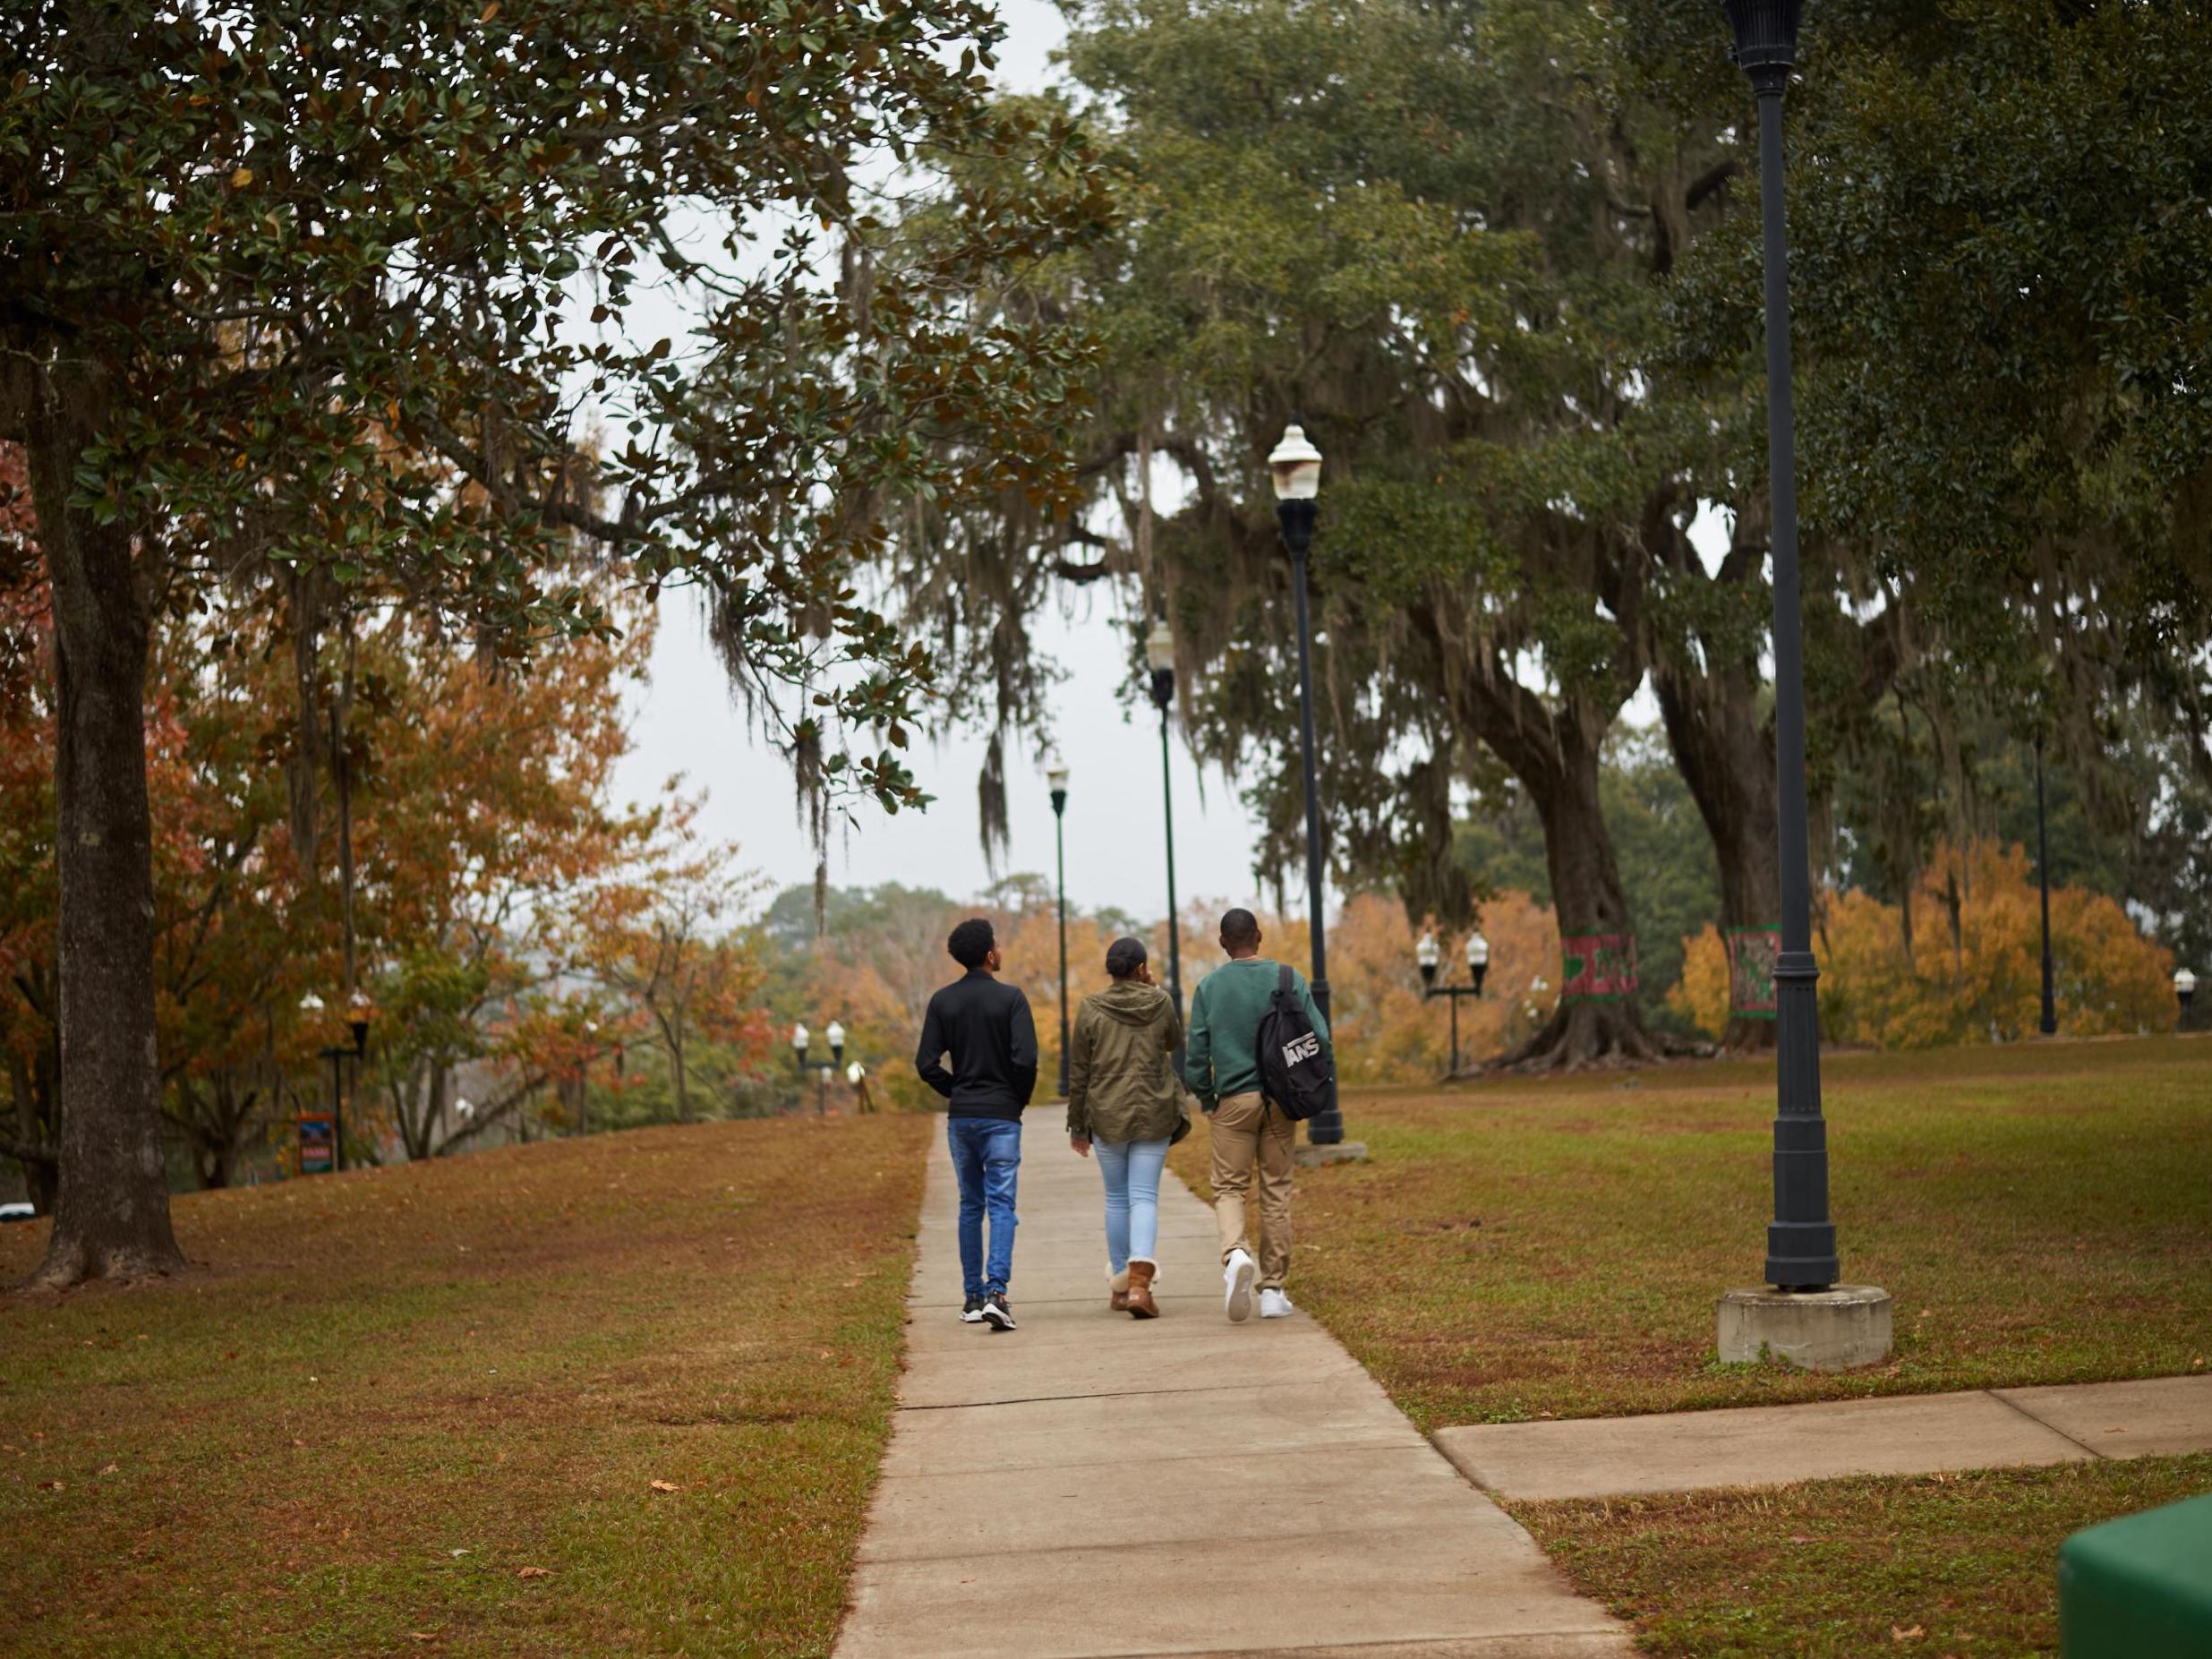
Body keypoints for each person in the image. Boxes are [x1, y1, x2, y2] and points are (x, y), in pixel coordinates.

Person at [1183, 908, 1332, 1323]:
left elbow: (1196, 1052)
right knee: (1276, 1190)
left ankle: (1234, 1255)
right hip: (1282, 1100)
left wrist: (1207, 1097)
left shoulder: (1210, 987)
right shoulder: (1289, 979)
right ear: (1259, 937)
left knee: (1229, 1187)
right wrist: (1319, 1082)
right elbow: (1318, 1037)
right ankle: (1273, 1289)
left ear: (1223, 942)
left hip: (1233, 1099)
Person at [916, 918, 1038, 1330]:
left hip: (963, 1117)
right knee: (1002, 1204)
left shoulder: (942, 1001)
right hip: (1002, 1115)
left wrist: (956, 1091)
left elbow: (925, 1064)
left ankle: (972, 1297)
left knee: (971, 1205)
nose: (1000, 950)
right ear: (989, 955)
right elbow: (1025, 1060)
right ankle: (997, 1293)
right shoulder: (1011, 1000)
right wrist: (1015, 1099)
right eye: (997, 946)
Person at [1066, 936, 1191, 1319]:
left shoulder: (1090, 1008)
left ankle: (1122, 1289)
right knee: (1143, 1197)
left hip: (1106, 1113)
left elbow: (1079, 1072)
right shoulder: (1161, 1002)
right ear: (1141, 968)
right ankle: (1140, 1287)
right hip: (1153, 1110)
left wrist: (1077, 1125)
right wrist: (1153, 990)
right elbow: (1174, 1041)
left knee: (1117, 1198)